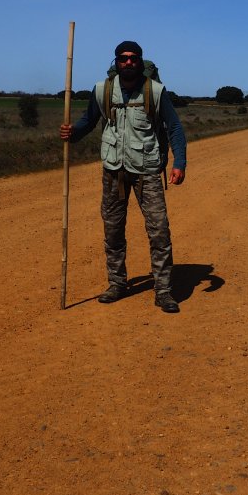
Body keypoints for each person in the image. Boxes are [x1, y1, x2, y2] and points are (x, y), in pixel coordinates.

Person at [59, 40, 187, 313]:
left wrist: (180, 162)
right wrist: (73, 133)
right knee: (113, 230)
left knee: (159, 231)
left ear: (140, 61)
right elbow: (89, 121)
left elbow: (174, 127)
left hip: (148, 171)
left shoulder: (155, 91)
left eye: (133, 58)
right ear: (116, 62)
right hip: (113, 170)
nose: (128, 62)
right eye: (123, 58)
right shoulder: (102, 90)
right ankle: (117, 284)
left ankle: (163, 291)